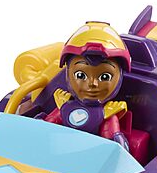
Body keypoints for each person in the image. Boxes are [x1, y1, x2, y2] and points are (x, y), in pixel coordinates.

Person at [43, 21, 131, 150]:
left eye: (104, 77)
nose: (92, 84)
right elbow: (44, 129)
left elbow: (116, 148)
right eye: (80, 75)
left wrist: (116, 140)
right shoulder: (64, 107)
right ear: (68, 74)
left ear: (120, 76)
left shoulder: (107, 115)